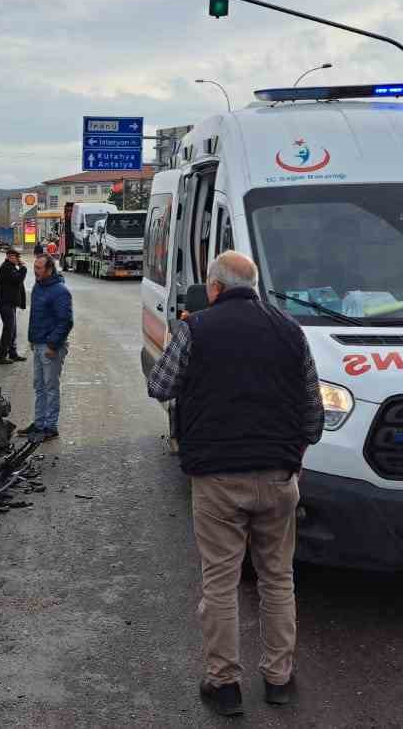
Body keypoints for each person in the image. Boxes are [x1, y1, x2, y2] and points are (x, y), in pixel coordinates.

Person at [147, 251, 323, 717]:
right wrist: (296, 457)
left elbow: (160, 386)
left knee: (220, 583)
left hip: (218, 477)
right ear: (256, 286)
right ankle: (279, 678)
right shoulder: (290, 330)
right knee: (278, 579)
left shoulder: (195, 328)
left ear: (215, 287)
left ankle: (224, 684)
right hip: (279, 475)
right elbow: (313, 410)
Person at [23, 254, 72, 443]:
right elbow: (36, 317)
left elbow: (66, 321)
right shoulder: (38, 287)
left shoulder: (60, 291)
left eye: (39, 268)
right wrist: (32, 339)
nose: (35, 271)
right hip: (38, 344)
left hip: (51, 347)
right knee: (39, 386)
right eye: (34, 267)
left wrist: (53, 344)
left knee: (50, 387)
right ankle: (39, 423)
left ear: (49, 269)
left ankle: (50, 427)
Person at [0, 247, 28, 364]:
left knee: (12, 329)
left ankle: (12, 354)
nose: (18, 259)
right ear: (9, 256)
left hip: (10, 303)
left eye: (19, 257)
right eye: (16, 257)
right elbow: (18, 279)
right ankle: (1, 356)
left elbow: (18, 285)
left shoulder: (11, 267)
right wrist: (23, 268)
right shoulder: (6, 268)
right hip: (5, 303)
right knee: (9, 329)